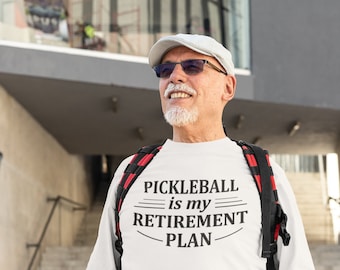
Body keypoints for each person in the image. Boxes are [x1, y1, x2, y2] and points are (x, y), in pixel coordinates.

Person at [86, 34, 315, 270]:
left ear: (228, 87)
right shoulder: (130, 171)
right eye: (164, 70)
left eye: (193, 66)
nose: (175, 77)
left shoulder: (265, 173)